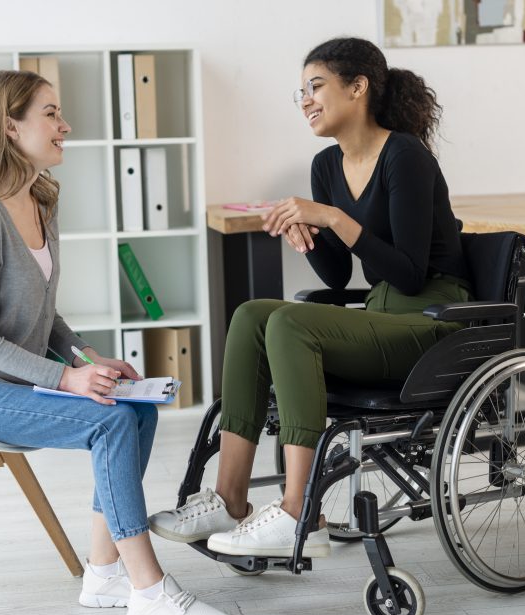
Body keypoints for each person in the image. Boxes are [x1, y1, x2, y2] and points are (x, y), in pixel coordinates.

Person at [0, 70, 229, 615]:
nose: (66, 126)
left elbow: (46, 316)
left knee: (135, 409)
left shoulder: (40, 199)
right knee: (111, 423)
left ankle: (105, 573)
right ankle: (149, 592)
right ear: (11, 127)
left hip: (10, 380)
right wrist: (67, 379)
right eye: (50, 114)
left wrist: (91, 359)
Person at [149, 37, 471, 558]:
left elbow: (410, 274)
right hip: (382, 317)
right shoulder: (326, 165)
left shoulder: (404, 156)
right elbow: (339, 275)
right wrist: (308, 236)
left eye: (316, 86)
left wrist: (332, 218)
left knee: (291, 323)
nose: (306, 100)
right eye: (300, 91)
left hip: (434, 322)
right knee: (254, 314)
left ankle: (301, 510)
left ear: (358, 87)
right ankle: (231, 499)